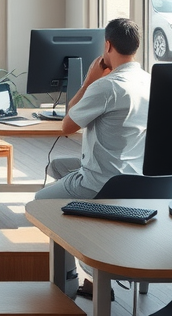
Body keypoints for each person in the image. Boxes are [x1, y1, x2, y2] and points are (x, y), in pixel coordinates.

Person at [33, 17, 151, 202]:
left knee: (39, 201)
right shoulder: (149, 80)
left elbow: (67, 126)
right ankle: (83, 213)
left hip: (102, 182)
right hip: (137, 177)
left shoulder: (106, 86)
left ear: (108, 45)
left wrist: (89, 81)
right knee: (56, 166)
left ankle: (85, 209)